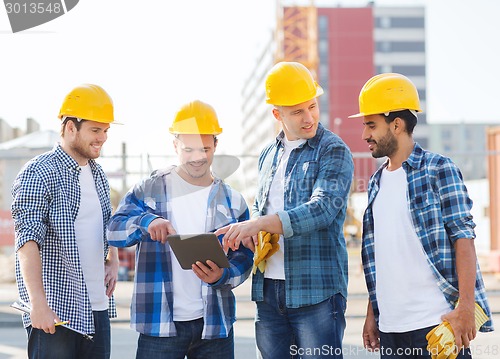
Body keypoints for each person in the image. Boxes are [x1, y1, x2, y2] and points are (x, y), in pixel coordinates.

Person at [348, 73, 493, 358]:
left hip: (435, 323)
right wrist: (372, 313)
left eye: (371, 125)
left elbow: (463, 238)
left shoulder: (439, 169)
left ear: (397, 124)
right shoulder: (376, 183)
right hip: (390, 328)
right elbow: (382, 256)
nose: (365, 135)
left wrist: (465, 306)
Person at [216, 61, 354, 358]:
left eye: (312, 107)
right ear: (277, 114)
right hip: (268, 292)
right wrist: (250, 227)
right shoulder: (268, 154)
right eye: (297, 112)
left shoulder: (332, 149)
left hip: (316, 292)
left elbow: (322, 209)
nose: (309, 118)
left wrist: (260, 223)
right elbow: (260, 205)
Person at [107, 100, 253, 359]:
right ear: (175, 146)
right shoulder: (148, 190)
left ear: (216, 145)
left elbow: (245, 258)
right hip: (159, 325)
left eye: (205, 149)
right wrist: (146, 222)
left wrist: (223, 275)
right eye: (189, 149)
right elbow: (113, 231)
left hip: (215, 326)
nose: (197, 157)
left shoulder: (233, 200)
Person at [11, 84, 120, 359]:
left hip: (97, 309)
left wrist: (113, 259)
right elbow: (27, 240)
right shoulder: (38, 172)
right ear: (70, 127)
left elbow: (104, 225)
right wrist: (38, 304)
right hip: (57, 312)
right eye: (95, 130)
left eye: (106, 130)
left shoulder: (98, 175)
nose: (103, 138)